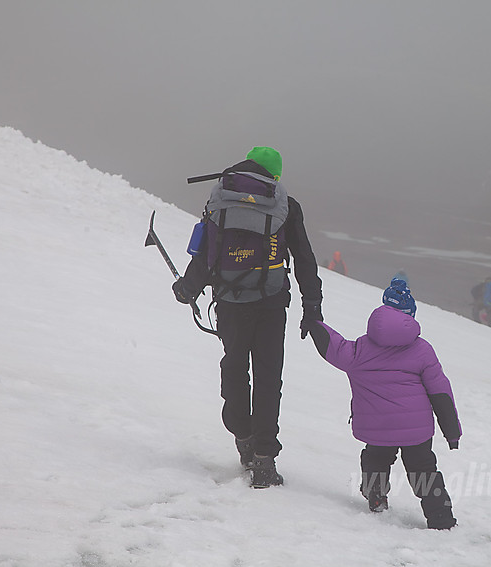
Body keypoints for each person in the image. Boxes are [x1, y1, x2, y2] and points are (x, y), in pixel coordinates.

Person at [171, 146, 323, 488]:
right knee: (269, 378)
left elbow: (209, 251)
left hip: (229, 302)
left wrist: (189, 287)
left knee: (235, 366)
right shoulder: (285, 204)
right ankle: (264, 460)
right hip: (271, 303)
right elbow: (304, 258)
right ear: (275, 175)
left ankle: (243, 437)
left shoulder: (220, 198)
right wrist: (312, 306)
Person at [304, 279, 461, 530]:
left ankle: (375, 496)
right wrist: (452, 431)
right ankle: (440, 518)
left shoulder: (360, 349)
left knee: (375, 459)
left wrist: (313, 323)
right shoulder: (422, 350)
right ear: (410, 316)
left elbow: (331, 346)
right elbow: (440, 392)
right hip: (415, 429)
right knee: (423, 470)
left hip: (376, 425)